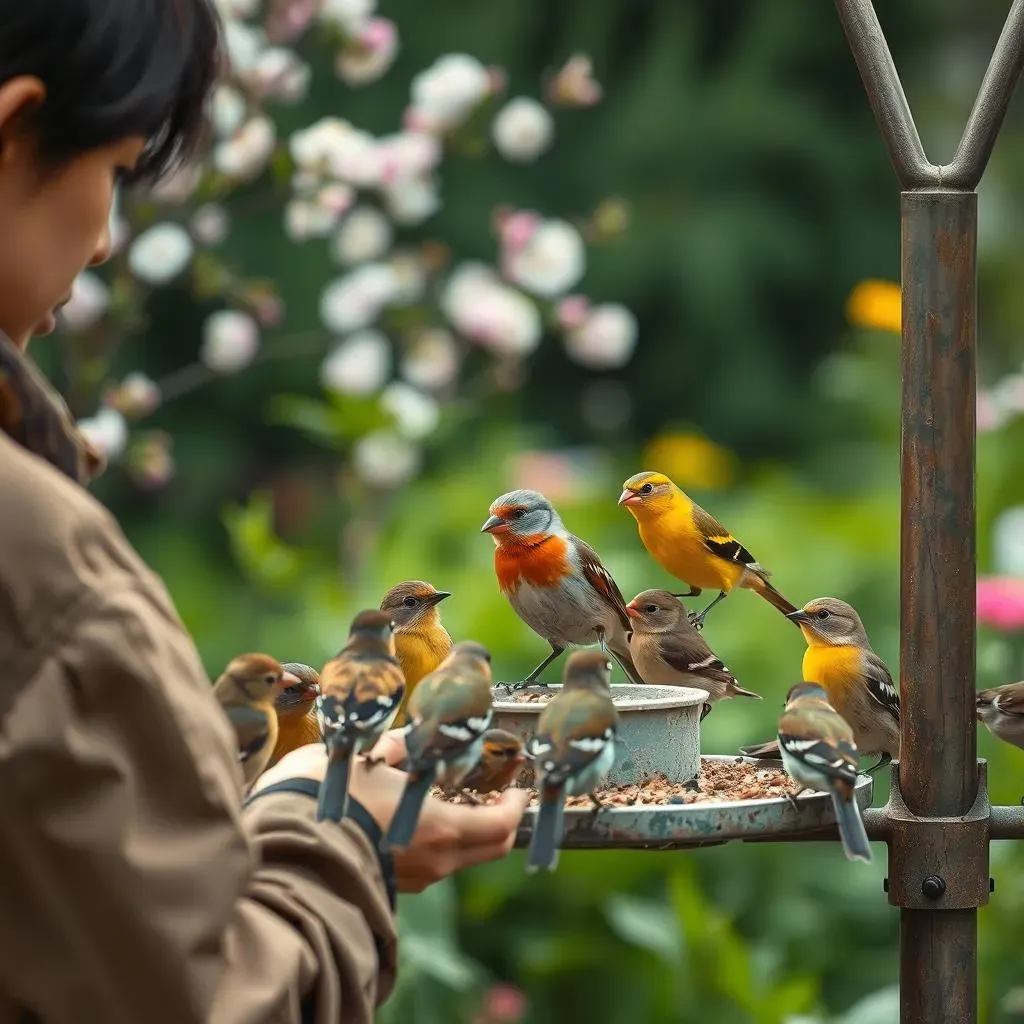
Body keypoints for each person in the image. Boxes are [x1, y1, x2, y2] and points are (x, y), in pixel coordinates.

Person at [0, 2, 529, 1022]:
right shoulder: (34, 559)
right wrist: (336, 834)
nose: (108, 241)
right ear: (16, 132)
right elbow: (194, 995)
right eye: (113, 167)